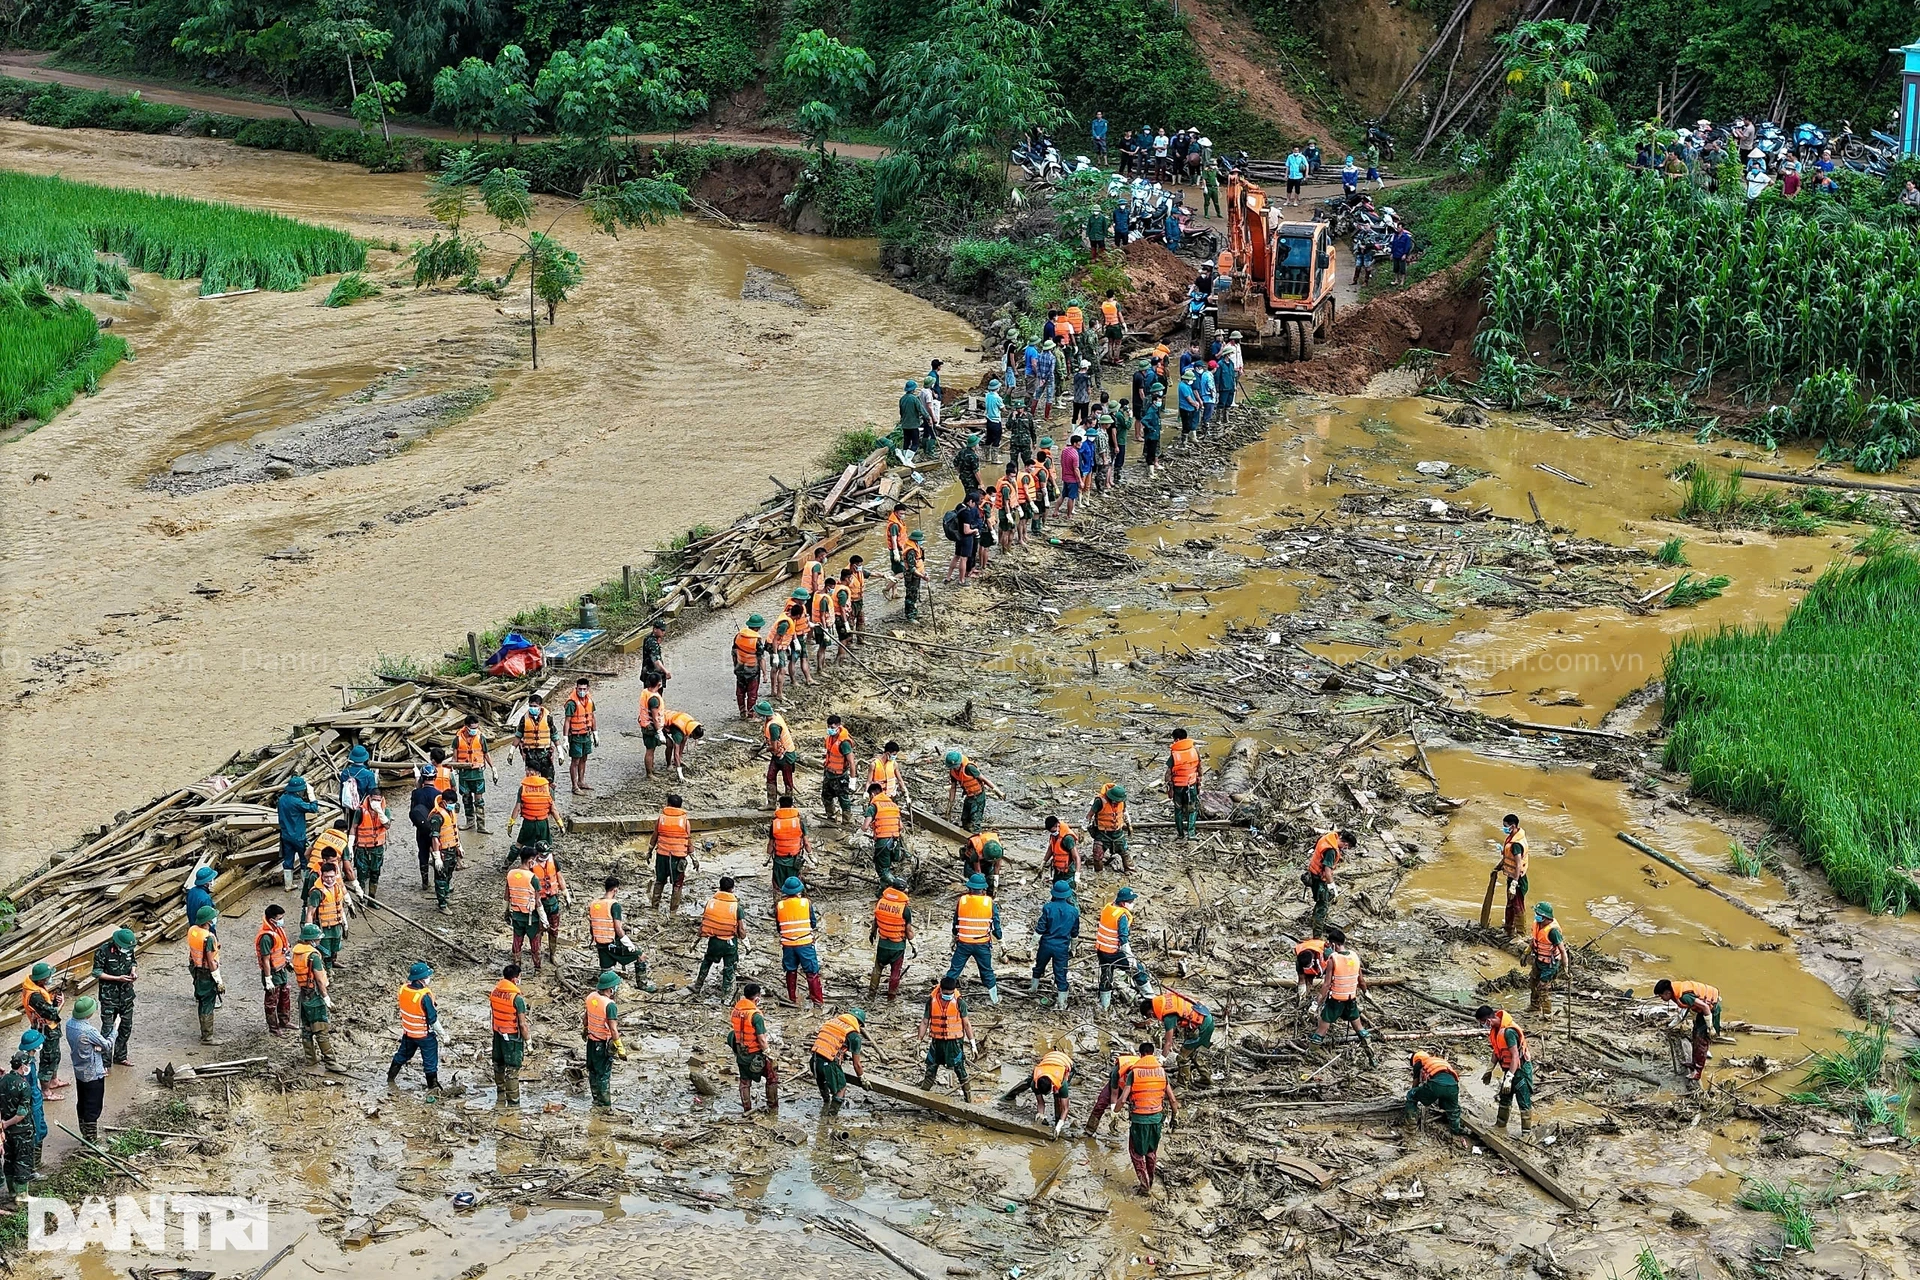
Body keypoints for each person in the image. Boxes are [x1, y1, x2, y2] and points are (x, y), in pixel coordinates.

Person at [1312, 926, 1372, 1058]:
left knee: (1322, 1028)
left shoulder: (1333, 960)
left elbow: (1327, 984)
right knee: (1359, 1027)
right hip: (1351, 999)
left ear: (1333, 944)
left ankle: (1310, 1054)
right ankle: (1371, 1054)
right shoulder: (1355, 956)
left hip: (1336, 1000)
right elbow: (1361, 980)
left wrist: (1317, 1002)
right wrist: (1366, 992)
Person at [1476, 1004, 1534, 1132]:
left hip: (1521, 1070)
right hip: (1510, 1069)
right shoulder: (1496, 1031)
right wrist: (1489, 1069)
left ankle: (1526, 1132)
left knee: (1523, 1100)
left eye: (1482, 1023)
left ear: (1489, 1020)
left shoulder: (1509, 1032)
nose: (1483, 1026)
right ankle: (1500, 1126)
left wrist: (1509, 1077)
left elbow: (1515, 1056)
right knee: (1505, 1096)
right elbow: (1497, 1052)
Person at [946, 873, 1002, 1003]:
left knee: (954, 970)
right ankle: (994, 999)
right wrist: (1001, 940)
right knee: (987, 972)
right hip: (982, 944)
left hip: (964, 943)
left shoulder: (962, 901)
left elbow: (956, 922)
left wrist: (954, 937)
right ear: (983, 889)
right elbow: (996, 925)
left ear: (970, 888)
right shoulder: (989, 902)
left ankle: (945, 997)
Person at [1654, 978, 1723, 1083]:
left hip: (1711, 1011)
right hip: (1703, 1013)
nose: (1661, 998)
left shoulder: (1685, 996)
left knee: (1701, 1042)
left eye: (1661, 995)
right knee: (1695, 1036)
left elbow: (1705, 1007)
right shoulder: (1676, 993)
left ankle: (1698, 1072)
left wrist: (1710, 1027)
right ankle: (1694, 1064)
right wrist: (1671, 1025)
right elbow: (1683, 1011)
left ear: (1667, 992)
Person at [290, 923, 339, 1070]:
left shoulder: (297, 953)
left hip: (303, 995)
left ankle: (310, 1060)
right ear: (311, 940)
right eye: (317, 939)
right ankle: (331, 1062)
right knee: (321, 1029)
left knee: (306, 1029)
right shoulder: (313, 956)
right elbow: (319, 979)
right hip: (315, 996)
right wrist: (326, 998)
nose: (319, 941)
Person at [776, 876, 826, 1011]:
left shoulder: (780, 906)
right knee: (812, 972)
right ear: (799, 891)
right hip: (805, 944)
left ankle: (792, 998)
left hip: (788, 945)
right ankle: (818, 1001)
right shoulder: (806, 903)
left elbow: (779, 927)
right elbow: (813, 923)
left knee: (790, 970)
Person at [728, 983, 779, 1114]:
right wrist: (769, 1053)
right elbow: (761, 1039)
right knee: (772, 1077)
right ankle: (773, 1106)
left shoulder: (735, 1011)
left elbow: (735, 1033)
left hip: (741, 1053)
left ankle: (747, 1109)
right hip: (756, 1053)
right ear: (757, 998)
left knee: (744, 1082)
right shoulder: (756, 1016)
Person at [920, 976, 974, 1099]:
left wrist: (973, 1044)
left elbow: (966, 1024)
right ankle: (921, 1095)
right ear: (940, 990)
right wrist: (918, 1040)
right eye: (945, 993)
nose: (948, 996)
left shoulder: (960, 1003)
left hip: (954, 1042)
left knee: (960, 1069)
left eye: (950, 993)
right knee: (931, 1067)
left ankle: (968, 1098)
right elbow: (924, 1022)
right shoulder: (932, 1002)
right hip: (937, 1041)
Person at [88, 928, 136, 1066]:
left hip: (126, 996)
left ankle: (121, 1056)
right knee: (108, 1029)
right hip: (109, 997)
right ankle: (104, 1062)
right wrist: (117, 978)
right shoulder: (103, 951)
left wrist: (133, 972)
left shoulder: (129, 948)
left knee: (126, 1028)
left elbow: (133, 962)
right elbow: (97, 972)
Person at [694, 877, 747, 999]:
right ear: (732, 889)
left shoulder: (711, 903)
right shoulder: (736, 907)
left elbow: (703, 924)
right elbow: (742, 931)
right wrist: (744, 939)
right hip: (729, 943)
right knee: (729, 968)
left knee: (707, 961)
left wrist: (697, 938)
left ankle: (698, 985)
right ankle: (726, 996)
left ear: (720, 887)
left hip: (714, 941)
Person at [1031, 880, 1080, 1010]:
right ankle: (1062, 1003)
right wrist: (1073, 948)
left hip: (1046, 945)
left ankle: (1033, 989)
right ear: (1068, 895)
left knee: (1039, 967)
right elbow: (1075, 933)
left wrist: (1030, 946)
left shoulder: (1048, 907)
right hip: (1062, 948)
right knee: (1060, 974)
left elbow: (1040, 929)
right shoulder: (1074, 911)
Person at [866, 874, 915, 1001]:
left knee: (877, 969)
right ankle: (891, 997)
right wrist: (914, 943)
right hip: (897, 946)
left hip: (883, 943)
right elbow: (908, 931)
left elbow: (875, 921)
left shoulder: (881, 902)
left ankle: (871, 994)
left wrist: (872, 933)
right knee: (895, 973)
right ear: (903, 890)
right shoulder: (905, 909)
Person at [1142, 988, 1213, 1071]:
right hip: (1206, 1016)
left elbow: (1168, 1043)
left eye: (1150, 1016)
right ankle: (1205, 1078)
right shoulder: (1165, 1001)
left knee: (1182, 1057)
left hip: (1204, 1026)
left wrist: (1161, 1060)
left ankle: (1182, 1083)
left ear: (1151, 1013)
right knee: (1192, 1052)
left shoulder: (1168, 1017)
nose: (1153, 1018)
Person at [811, 1008, 868, 1112]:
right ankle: (831, 1117)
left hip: (814, 1060)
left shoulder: (831, 1023)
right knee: (841, 1088)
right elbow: (857, 1065)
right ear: (859, 1024)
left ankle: (826, 1104)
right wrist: (862, 1079)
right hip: (828, 1063)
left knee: (822, 1081)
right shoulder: (854, 1036)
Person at [489, 963, 530, 1105]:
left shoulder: (494, 992)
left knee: (498, 1064)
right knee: (512, 1069)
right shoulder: (517, 999)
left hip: (498, 1034)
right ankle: (513, 1102)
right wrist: (528, 1041)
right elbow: (522, 1024)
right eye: (519, 977)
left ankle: (500, 1092)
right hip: (512, 1038)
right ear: (514, 979)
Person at [589, 877, 644, 976]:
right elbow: (618, 928)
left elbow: (592, 926)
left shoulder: (594, 904)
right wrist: (629, 944)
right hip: (613, 943)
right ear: (615, 890)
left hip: (600, 944)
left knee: (606, 971)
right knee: (640, 955)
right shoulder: (614, 905)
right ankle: (642, 984)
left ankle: (605, 986)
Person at [647, 792, 692, 913]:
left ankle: (654, 907)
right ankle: (673, 912)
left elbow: (654, 837)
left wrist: (649, 852)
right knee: (677, 885)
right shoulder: (685, 822)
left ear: (668, 804)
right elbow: (688, 840)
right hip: (678, 858)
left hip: (662, 856)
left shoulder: (661, 819)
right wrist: (693, 858)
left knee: (659, 881)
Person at [1305, 829, 1356, 933]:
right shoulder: (1331, 851)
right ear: (1346, 844)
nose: (1345, 849)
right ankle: (1317, 934)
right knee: (1323, 905)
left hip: (1312, 873)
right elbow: (1327, 872)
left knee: (1320, 901)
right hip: (1318, 878)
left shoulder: (1329, 837)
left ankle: (1314, 920)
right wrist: (1332, 887)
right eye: (1347, 847)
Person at [583, 971, 622, 1108]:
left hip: (591, 1041)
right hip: (602, 1043)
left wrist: (585, 1029)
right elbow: (613, 1029)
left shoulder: (591, 997)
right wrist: (619, 1046)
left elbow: (586, 1017)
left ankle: (596, 1100)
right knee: (604, 1074)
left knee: (592, 1071)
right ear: (611, 988)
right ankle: (605, 1105)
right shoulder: (610, 1005)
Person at [0, 1053, 35, 1201]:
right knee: (22, 1160)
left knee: (9, 1159)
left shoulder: (3, 1080)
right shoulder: (24, 1085)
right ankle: (22, 1195)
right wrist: (6, 1123)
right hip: (21, 1130)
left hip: (6, 1133)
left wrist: (3, 1126)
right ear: (23, 1066)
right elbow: (21, 1113)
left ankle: (12, 1191)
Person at [1403, 1050, 1465, 1135]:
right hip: (1453, 1086)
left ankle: (1411, 1125)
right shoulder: (1438, 1061)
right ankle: (1456, 1130)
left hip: (1436, 1085)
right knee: (1453, 1109)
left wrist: (1418, 1095)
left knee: (1412, 1095)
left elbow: (1415, 1085)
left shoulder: (1419, 1062)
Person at [252, 905, 292, 1037]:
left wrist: (287, 963)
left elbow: (281, 950)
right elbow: (266, 959)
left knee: (284, 995)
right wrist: (268, 979)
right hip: (273, 972)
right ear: (272, 919)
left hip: (281, 970)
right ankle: (273, 1028)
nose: (282, 920)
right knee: (271, 1001)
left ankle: (284, 1021)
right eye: (280, 918)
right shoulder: (266, 937)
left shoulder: (277, 930)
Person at [276, 775, 318, 893]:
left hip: (285, 835)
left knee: (288, 860)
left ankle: (288, 884)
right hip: (299, 836)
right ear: (299, 790)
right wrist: (312, 795)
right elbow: (314, 808)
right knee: (304, 859)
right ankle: (305, 887)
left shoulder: (282, 799)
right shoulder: (297, 802)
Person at [186, 906, 222, 1045]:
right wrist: (218, 980)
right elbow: (210, 960)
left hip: (196, 969)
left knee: (201, 999)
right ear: (208, 921)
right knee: (208, 1003)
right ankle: (207, 1037)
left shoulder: (193, 930)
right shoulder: (209, 937)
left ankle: (205, 1033)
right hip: (207, 973)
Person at [451, 713, 492, 833]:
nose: (475, 730)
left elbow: (486, 753)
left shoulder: (481, 738)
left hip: (477, 772)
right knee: (466, 798)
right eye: (472, 728)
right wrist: (452, 771)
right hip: (464, 773)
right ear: (466, 727)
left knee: (479, 800)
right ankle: (470, 822)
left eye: (476, 728)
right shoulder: (457, 739)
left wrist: (493, 768)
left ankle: (481, 825)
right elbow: (454, 757)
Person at [506, 847, 545, 972]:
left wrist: (506, 912)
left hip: (516, 915)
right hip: (531, 917)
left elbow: (506, 896)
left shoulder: (511, 874)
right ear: (530, 861)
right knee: (535, 943)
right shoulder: (532, 878)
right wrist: (544, 920)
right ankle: (537, 967)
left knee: (517, 941)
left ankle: (516, 966)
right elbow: (538, 902)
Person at [754, 699, 798, 809]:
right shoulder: (775, 716)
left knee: (787, 780)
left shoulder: (774, 726)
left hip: (786, 755)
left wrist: (765, 750)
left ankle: (788, 805)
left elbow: (774, 746)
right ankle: (771, 803)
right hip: (777, 755)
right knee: (770, 777)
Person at [530, 841, 569, 960]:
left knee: (554, 929)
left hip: (552, 901)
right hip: (538, 902)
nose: (544, 857)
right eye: (542, 854)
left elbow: (560, 878)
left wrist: (566, 893)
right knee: (537, 930)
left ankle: (553, 954)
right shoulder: (531, 865)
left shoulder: (554, 861)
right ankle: (538, 954)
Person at [305, 862, 350, 965]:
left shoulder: (337, 887)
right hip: (324, 926)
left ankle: (334, 962)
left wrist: (344, 921)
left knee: (335, 946)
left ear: (336, 875)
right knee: (325, 949)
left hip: (336, 924)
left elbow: (340, 906)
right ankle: (328, 970)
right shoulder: (317, 892)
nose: (329, 880)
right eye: (326, 877)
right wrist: (309, 930)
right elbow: (310, 912)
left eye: (331, 877)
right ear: (321, 875)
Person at [1529, 902, 1567, 1015]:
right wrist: (1526, 953)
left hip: (1550, 964)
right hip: (1538, 959)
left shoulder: (1553, 931)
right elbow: (1534, 940)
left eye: (1539, 915)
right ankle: (1534, 1006)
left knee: (1543, 988)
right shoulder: (1537, 924)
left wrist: (1566, 968)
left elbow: (1562, 950)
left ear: (1546, 917)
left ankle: (1547, 1014)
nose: (1536, 916)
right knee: (1533, 982)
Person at [1085, 784, 1132, 873]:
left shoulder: (1122, 800)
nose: (1116, 802)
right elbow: (1089, 815)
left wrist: (1129, 825)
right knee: (1097, 855)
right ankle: (1099, 873)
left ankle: (1130, 871)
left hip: (1118, 833)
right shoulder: (1100, 801)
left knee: (1125, 853)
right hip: (1102, 834)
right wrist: (1083, 829)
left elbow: (1125, 812)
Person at [1495, 813, 1528, 938]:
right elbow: (1508, 858)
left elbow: (1518, 864)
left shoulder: (1516, 844)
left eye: (1505, 826)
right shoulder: (1513, 837)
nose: (1504, 828)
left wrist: (1514, 883)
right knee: (1510, 904)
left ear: (1513, 826)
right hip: (1512, 877)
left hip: (1518, 880)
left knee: (1518, 906)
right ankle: (1508, 930)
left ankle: (1521, 935)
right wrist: (1498, 867)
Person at [563, 677, 597, 795]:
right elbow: (567, 721)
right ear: (576, 688)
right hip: (576, 735)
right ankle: (574, 786)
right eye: (579, 689)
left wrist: (595, 733)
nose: (581, 691)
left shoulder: (589, 700)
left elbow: (592, 716)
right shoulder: (572, 703)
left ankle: (581, 781)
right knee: (575, 760)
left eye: (584, 689)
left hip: (586, 734)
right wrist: (565, 738)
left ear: (588, 689)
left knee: (584, 758)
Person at [514, 692, 556, 784]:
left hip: (545, 752)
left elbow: (554, 734)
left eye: (535, 706)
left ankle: (549, 797)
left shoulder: (548, 718)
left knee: (548, 779)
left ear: (540, 706)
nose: (532, 708)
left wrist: (560, 749)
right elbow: (518, 735)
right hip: (530, 753)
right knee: (532, 778)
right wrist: (511, 751)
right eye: (531, 706)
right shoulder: (524, 718)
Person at [1030, 1050, 1074, 1133]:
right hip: (1048, 1059)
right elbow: (1040, 1103)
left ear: (1052, 1085)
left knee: (1058, 1098)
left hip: (1064, 1061)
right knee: (1028, 1080)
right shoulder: (1034, 1084)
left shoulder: (1061, 1083)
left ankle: (1058, 1120)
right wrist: (1040, 1114)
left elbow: (1066, 1108)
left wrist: (1060, 1125)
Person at [1041, 815, 1079, 885]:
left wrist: (1077, 874)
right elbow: (1051, 848)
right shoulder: (1054, 836)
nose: (1053, 833)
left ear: (1058, 825)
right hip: (1057, 870)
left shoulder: (1068, 838)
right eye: (1051, 832)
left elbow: (1076, 857)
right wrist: (1044, 861)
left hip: (1068, 871)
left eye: (1054, 831)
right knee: (1056, 889)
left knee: (1068, 891)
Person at [898, 379, 928, 455]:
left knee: (906, 442)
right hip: (913, 425)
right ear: (913, 389)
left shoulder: (902, 399)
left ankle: (904, 455)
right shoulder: (914, 399)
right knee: (915, 443)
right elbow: (921, 410)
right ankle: (909, 458)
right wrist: (928, 418)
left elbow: (901, 412)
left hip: (905, 425)